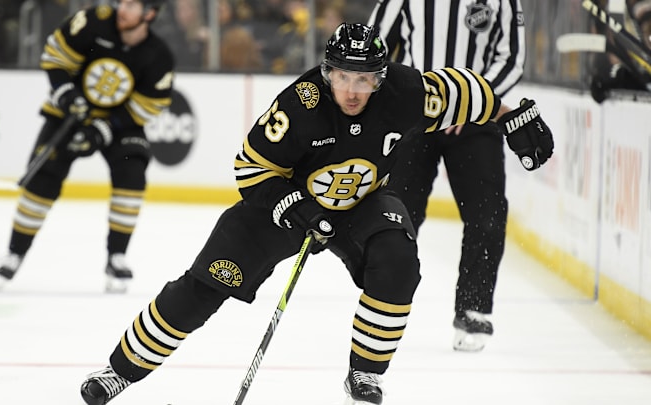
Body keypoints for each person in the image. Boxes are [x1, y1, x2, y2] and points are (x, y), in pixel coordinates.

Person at [78, 23, 552, 405]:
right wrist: (293, 205)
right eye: (342, 76)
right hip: (283, 206)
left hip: (361, 205)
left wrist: (512, 115)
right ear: (327, 72)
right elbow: (250, 167)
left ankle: (364, 375)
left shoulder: (405, 91)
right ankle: (118, 372)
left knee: (398, 261)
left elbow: (461, 90)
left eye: (363, 78)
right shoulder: (300, 104)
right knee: (203, 288)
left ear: (380, 78)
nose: (351, 89)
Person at [368, 0, 526, 351]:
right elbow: (374, 47)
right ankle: (383, 302)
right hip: (413, 116)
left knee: (487, 215)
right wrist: (411, 97)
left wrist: (470, 100)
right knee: (396, 214)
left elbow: (512, 58)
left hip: (478, 119)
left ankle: (474, 307)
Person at [0, 0, 175, 292]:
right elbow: (55, 58)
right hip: (69, 114)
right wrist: (67, 95)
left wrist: (103, 128)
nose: (122, 9)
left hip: (118, 124)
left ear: (149, 14)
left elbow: (149, 104)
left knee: (132, 173)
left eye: (132, 5)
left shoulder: (159, 56)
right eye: (122, 2)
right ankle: (15, 252)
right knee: (43, 178)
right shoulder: (93, 22)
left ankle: (116, 256)